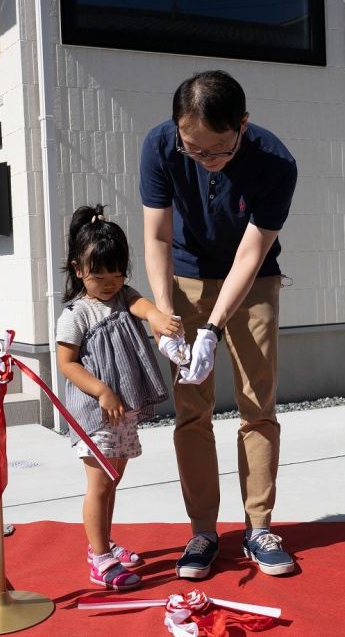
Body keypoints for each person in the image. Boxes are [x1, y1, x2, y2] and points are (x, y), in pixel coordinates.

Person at [140, 70, 298, 579]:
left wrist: (211, 328)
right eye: (193, 149)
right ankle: (203, 531)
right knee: (191, 410)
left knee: (258, 403)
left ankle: (259, 527)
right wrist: (166, 315)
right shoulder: (161, 146)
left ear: (243, 127)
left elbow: (252, 254)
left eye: (217, 151)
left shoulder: (276, 162)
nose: (204, 160)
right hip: (184, 276)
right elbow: (159, 237)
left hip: (252, 284)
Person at [55, 204, 178, 591]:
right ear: (79, 270)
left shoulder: (123, 296)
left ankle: (104, 543)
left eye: (116, 271)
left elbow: (140, 304)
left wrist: (158, 317)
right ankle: (98, 557)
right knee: (99, 484)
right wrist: (102, 389)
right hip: (96, 413)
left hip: (120, 411)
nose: (109, 281)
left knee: (114, 479)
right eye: (98, 273)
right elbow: (66, 364)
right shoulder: (76, 314)